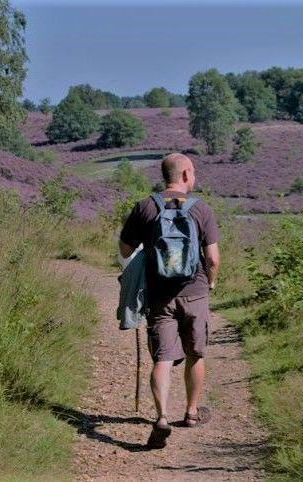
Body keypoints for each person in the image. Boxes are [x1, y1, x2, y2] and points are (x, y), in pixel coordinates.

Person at [119, 152, 220, 448]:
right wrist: (210, 282)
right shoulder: (201, 209)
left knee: (162, 357)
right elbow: (212, 258)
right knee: (195, 353)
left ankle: (162, 417)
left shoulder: (145, 207)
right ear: (186, 174)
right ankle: (190, 412)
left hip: (158, 296)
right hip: (196, 291)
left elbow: (125, 251)